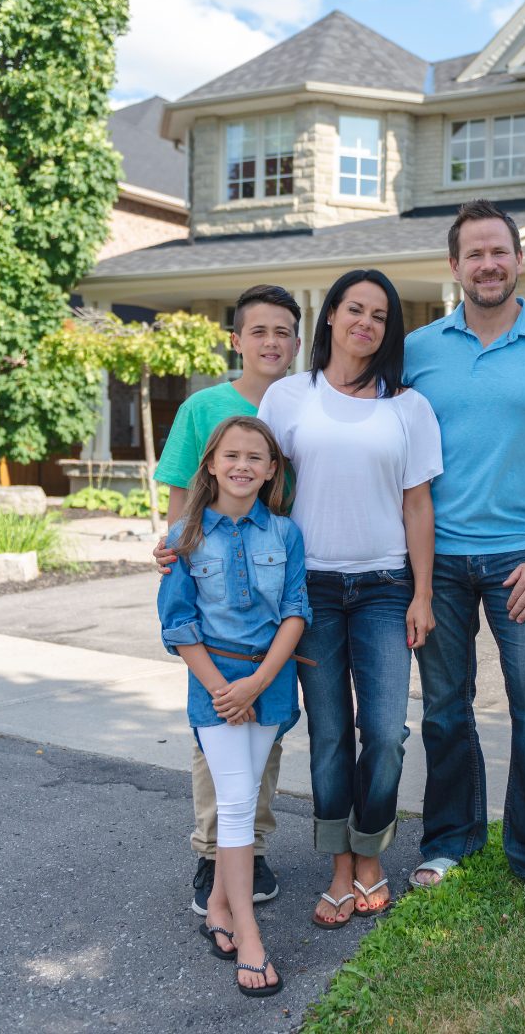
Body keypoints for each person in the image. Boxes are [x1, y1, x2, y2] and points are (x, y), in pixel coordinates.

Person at [403, 199, 525, 907]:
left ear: (519, 259)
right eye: (474, 253)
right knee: (445, 708)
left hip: (521, 558)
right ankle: (451, 839)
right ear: (454, 266)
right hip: (437, 561)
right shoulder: (417, 352)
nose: (488, 264)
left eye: (499, 251)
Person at [258, 268, 442, 926]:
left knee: (386, 733)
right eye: (354, 309)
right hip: (309, 591)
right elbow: (254, 484)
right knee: (330, 734)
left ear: (388, 331)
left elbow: (417, 505)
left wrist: (422, 593)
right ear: (330, 315)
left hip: (386, 588)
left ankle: (371, 853)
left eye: (380, 315)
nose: (366, 322)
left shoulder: (407, 407)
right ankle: (341, 869)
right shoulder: (287, 399)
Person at [154, 284, 301, 916]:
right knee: (215, 730)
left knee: (265, 737)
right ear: (236, 340)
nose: (271, 343)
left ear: (297, 342)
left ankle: (253, 843)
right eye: (258, 331)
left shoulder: (301, 402)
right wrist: (174, 553)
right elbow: (181, 496)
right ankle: (212, 852)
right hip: (213, 584)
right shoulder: (203, 406)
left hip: (274, 579)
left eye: (283, 332)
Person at [157, 415, 311, 997]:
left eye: (256, 457)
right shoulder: (182, 538)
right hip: (213, 682)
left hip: (270, 681)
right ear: (212, 464)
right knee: (238, 800)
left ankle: (220, 905)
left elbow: (297, 609)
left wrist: (258, 682)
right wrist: (225, 688)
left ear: (272, 469)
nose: (243, 466)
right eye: (231, 456)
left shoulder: (286, 534)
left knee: (244, 794)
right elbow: (178, 623)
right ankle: (249, 934)